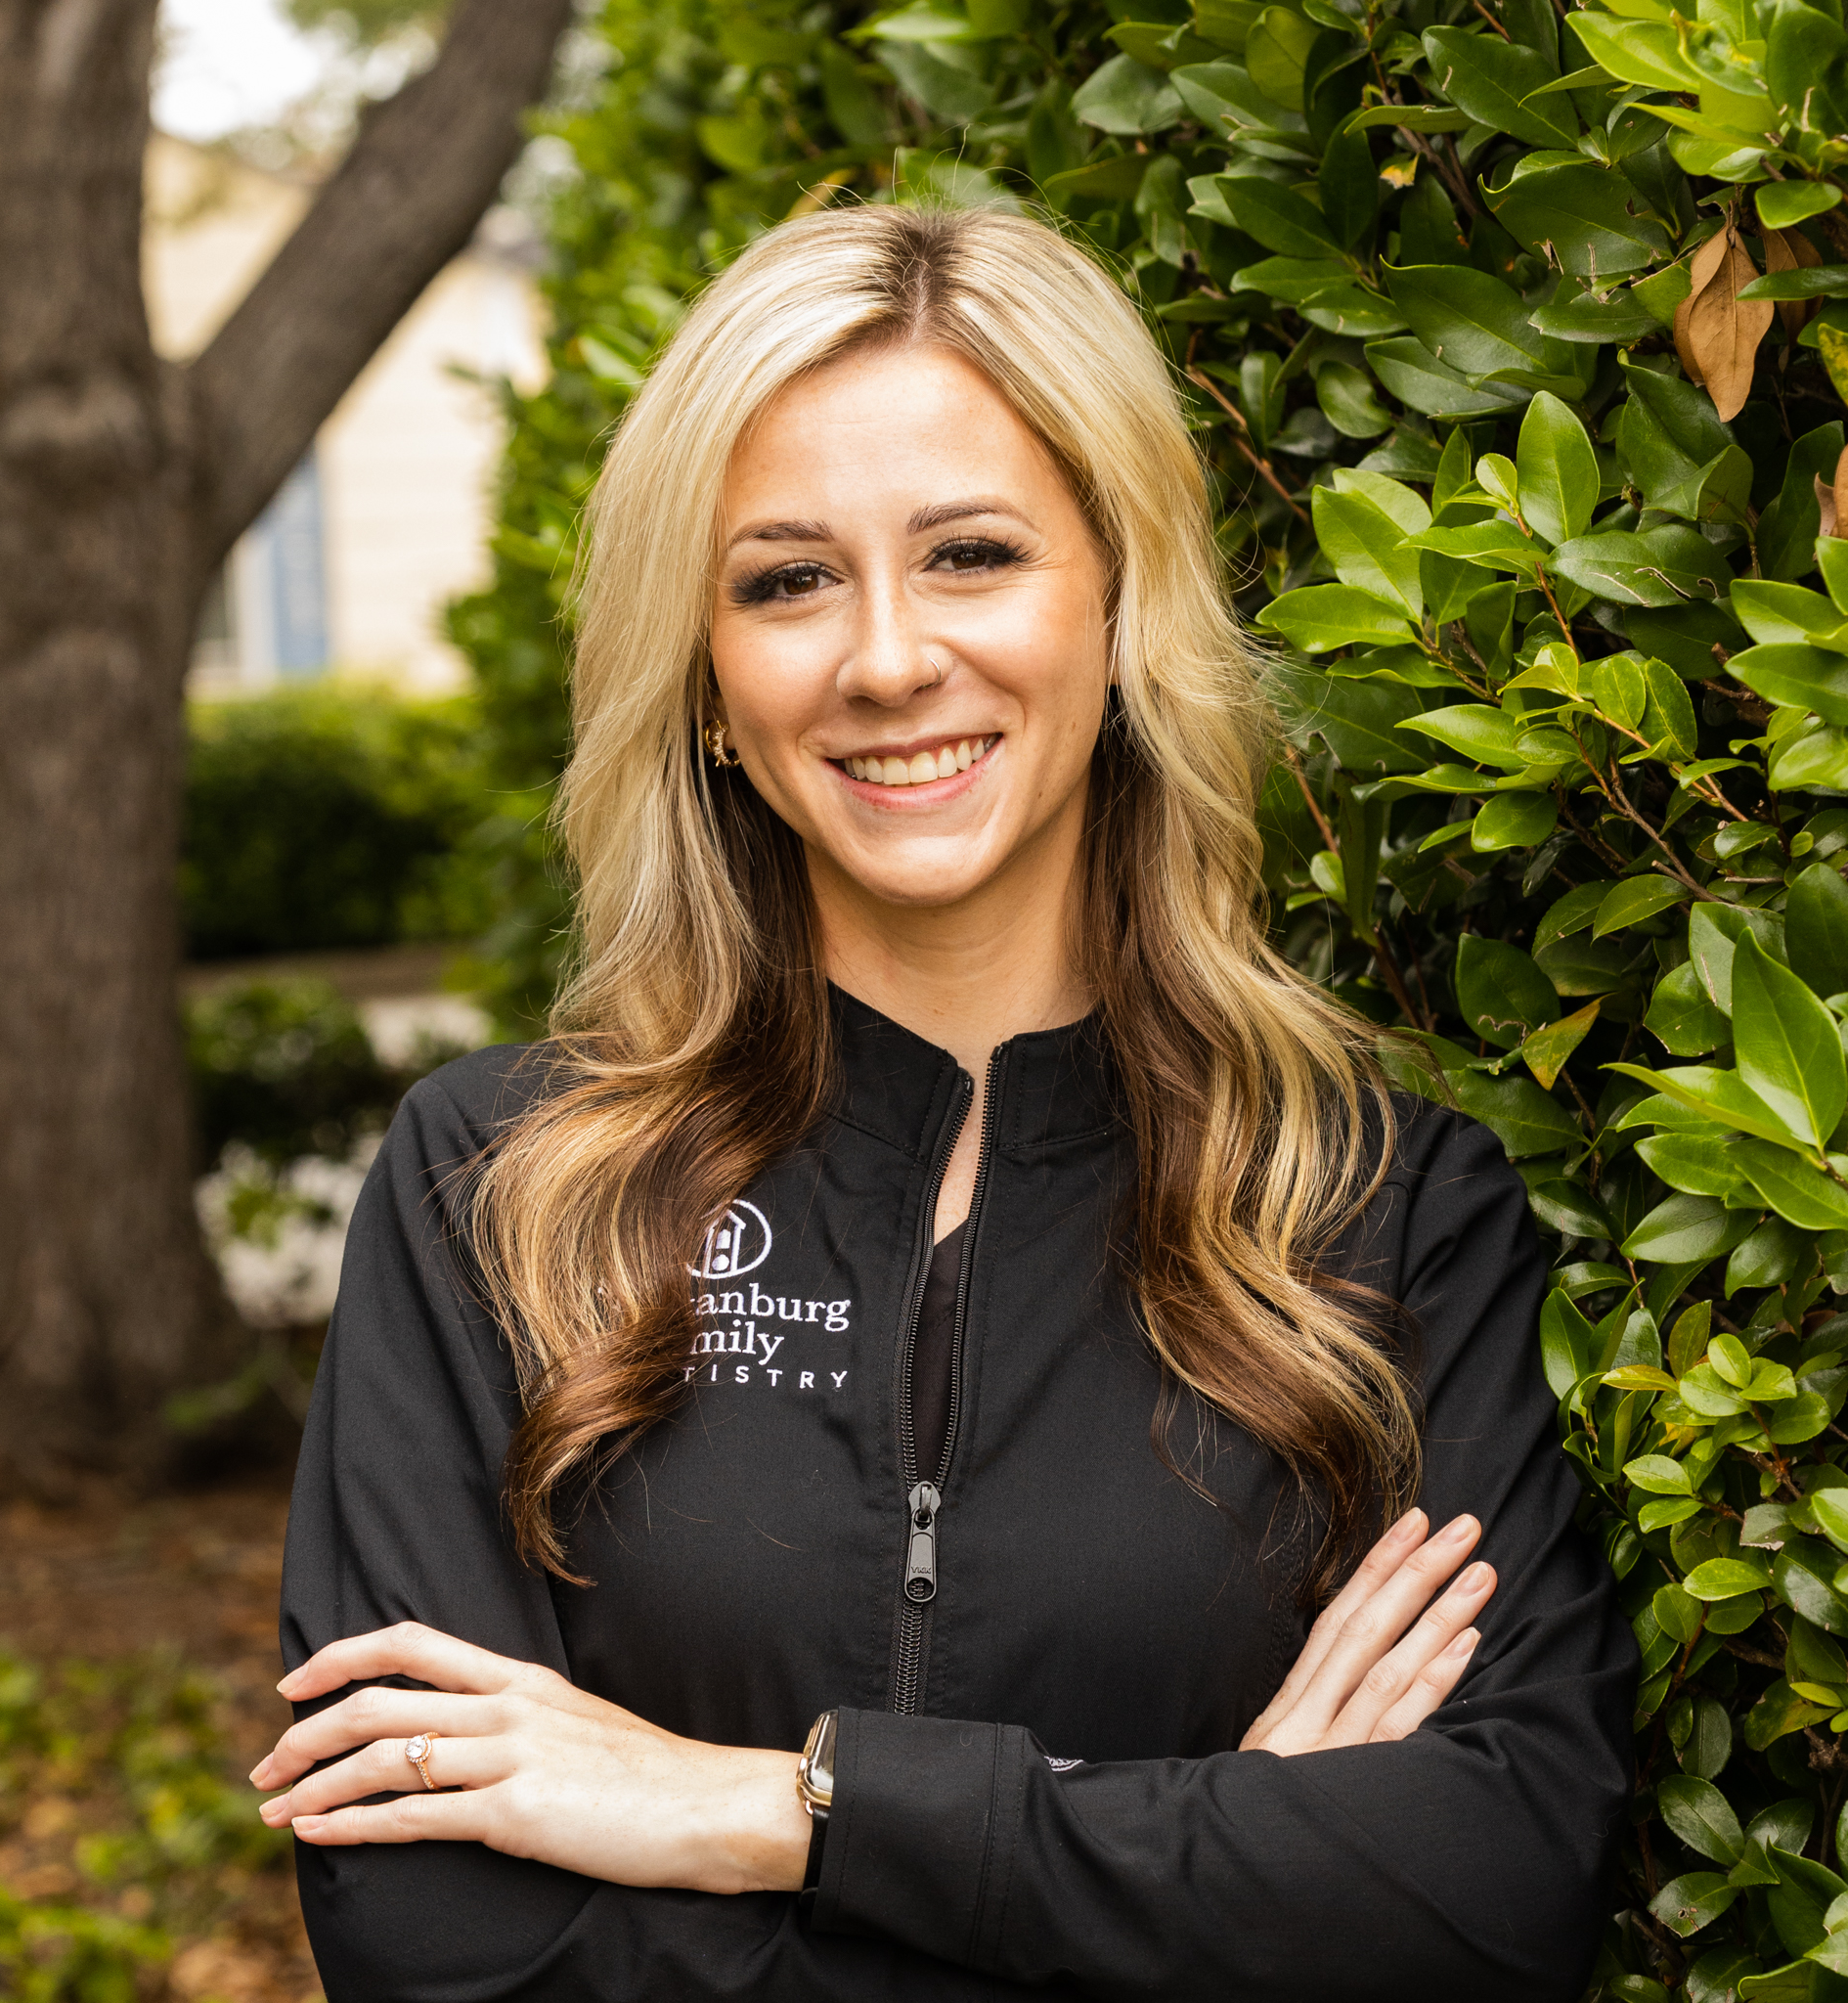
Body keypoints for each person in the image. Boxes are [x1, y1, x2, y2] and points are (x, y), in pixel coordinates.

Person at [254, 203, 1636, 2001]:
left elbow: (1486, 1888)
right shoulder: (497, 1187)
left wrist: (774, 1812)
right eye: (785, 578)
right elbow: (432, 1944)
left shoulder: (1373, 1200)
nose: (888, 657)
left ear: (1123, 601)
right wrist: (1214, 1852)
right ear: (704, 682)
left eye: (972, 553)